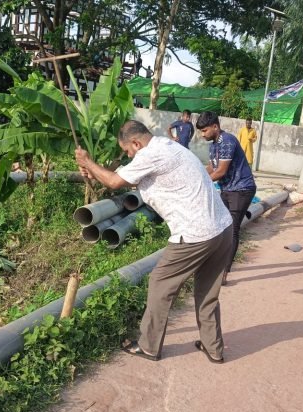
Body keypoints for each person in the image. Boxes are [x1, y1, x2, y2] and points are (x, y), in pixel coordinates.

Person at [75, 120, 234, 363]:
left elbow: (114, 182)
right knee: (207, 292)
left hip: (195, 233)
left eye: (128, 151)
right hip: (222, 228)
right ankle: (213, 348)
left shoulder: (151, 154)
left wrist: (87, 162)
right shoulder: (170, 147)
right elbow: (119, 177)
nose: (129, 157)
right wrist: (94, 171)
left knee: (160, 284)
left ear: (137, 143)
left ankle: (149, 346)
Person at [195, 111, 257, 283]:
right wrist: (196, 175)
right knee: (219, 226)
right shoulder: (213, 144)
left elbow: (220, 172)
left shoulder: (227, 141)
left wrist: (199, 184)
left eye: (205, 131)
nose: (202, 134)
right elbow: (212, 166)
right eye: (201, 131)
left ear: (215, 126)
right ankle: (215, 264)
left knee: (231, 230)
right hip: (228, 189)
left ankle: (223, 272)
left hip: (242, 189)